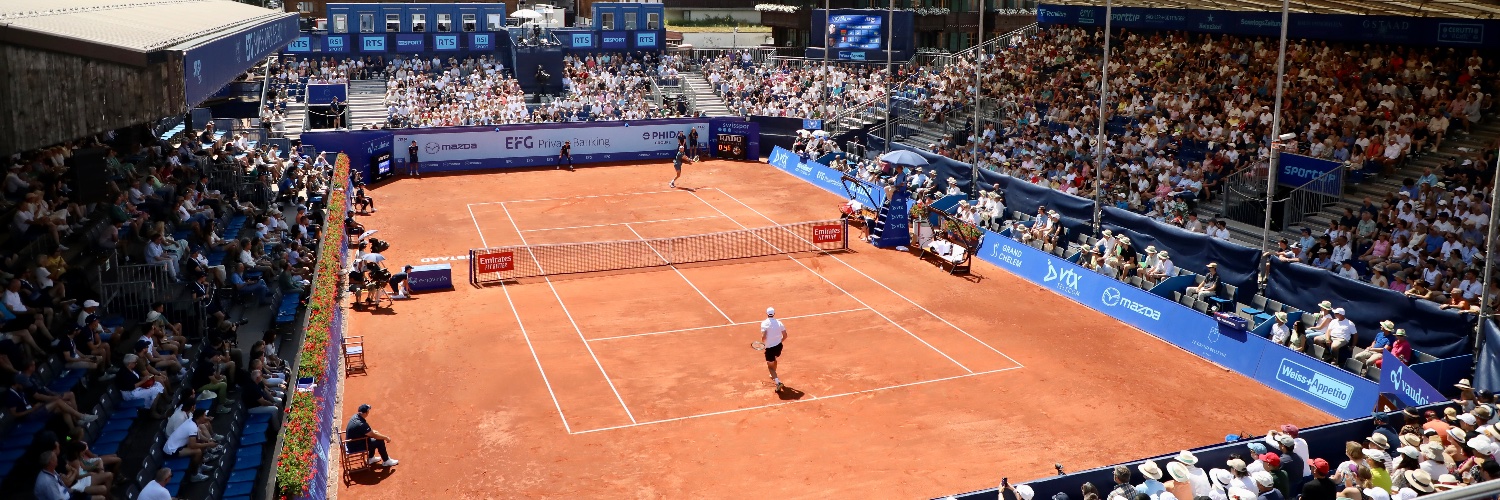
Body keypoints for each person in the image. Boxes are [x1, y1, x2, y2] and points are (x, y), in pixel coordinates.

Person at [760, 307, 787, 392]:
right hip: (779, 346)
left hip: (770, 349)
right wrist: (779, 341)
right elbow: (785, 335)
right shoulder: (779, 323)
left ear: (767, 314)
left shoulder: (764, 323)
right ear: (774, 313)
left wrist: (764, 342)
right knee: (774, 359)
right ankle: (773, 375)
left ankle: (778, 382)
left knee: (770, 367)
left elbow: (763, 338)